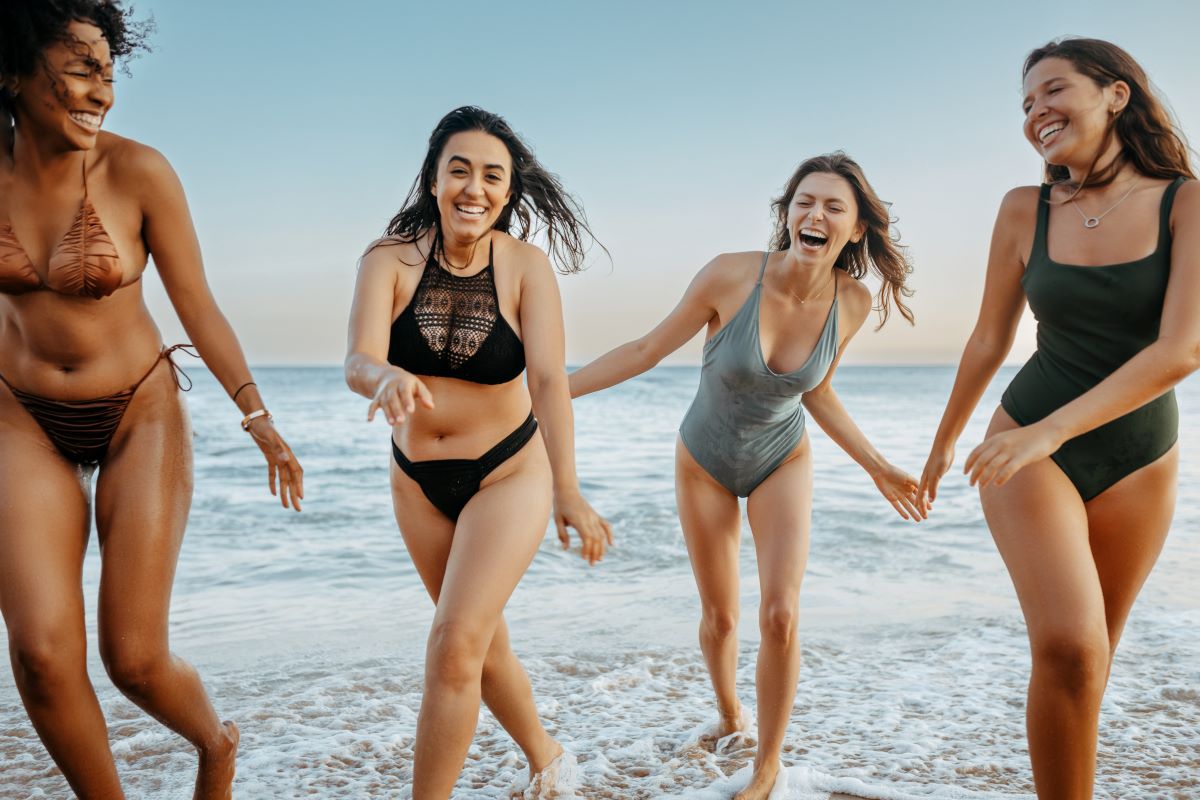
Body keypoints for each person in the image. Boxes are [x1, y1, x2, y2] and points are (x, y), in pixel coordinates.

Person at [0, 2, 305, 798]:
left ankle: (215, 743)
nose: (102, 91)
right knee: (38, 654)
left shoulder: (140, 173)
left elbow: (197, 304)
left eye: (108, 71)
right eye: (79, 68)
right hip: (17, 413)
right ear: (12, 71)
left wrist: (257, 416)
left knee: (132, 659)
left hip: (138, 409)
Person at [569, 152, 922, 800]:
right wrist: (552, 393)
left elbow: (815, 391)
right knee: (722, 618)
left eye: (832, 206)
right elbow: (646, 351)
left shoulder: (853, 301)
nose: (814, 215)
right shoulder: (731, 276)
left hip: (781, 459)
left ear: (856, 229)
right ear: (787, 214)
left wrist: (877, 466)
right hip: (703, 462)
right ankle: (730, 713)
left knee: (781, 614)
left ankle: (767, 768)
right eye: (803, 202)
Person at [919, 37, 1198, 798]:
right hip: (1026, 445)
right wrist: (947, 442)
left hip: (1140, 454)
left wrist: (1058, 429)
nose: (1037, 112)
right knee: (1070, 649)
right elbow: (987, 338)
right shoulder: (1024, 209)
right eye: (1026, 104)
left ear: (1116, 95)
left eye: (1053, 91)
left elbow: (1185, 347)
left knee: (1094, 660)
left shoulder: (1187, 200)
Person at [344, 106, 613, 798]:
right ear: (433, 180)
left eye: (492, 175)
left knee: (455, 642)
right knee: (477, 641)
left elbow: (550, 380)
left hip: (509, 471)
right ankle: (547, 757)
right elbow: (358, 361)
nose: (474, 187)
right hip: (416, 483)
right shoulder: (388, 260)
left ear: (508, 191)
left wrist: (568, 489)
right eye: (458, 169)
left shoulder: (525, 268)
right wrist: (387, 377)